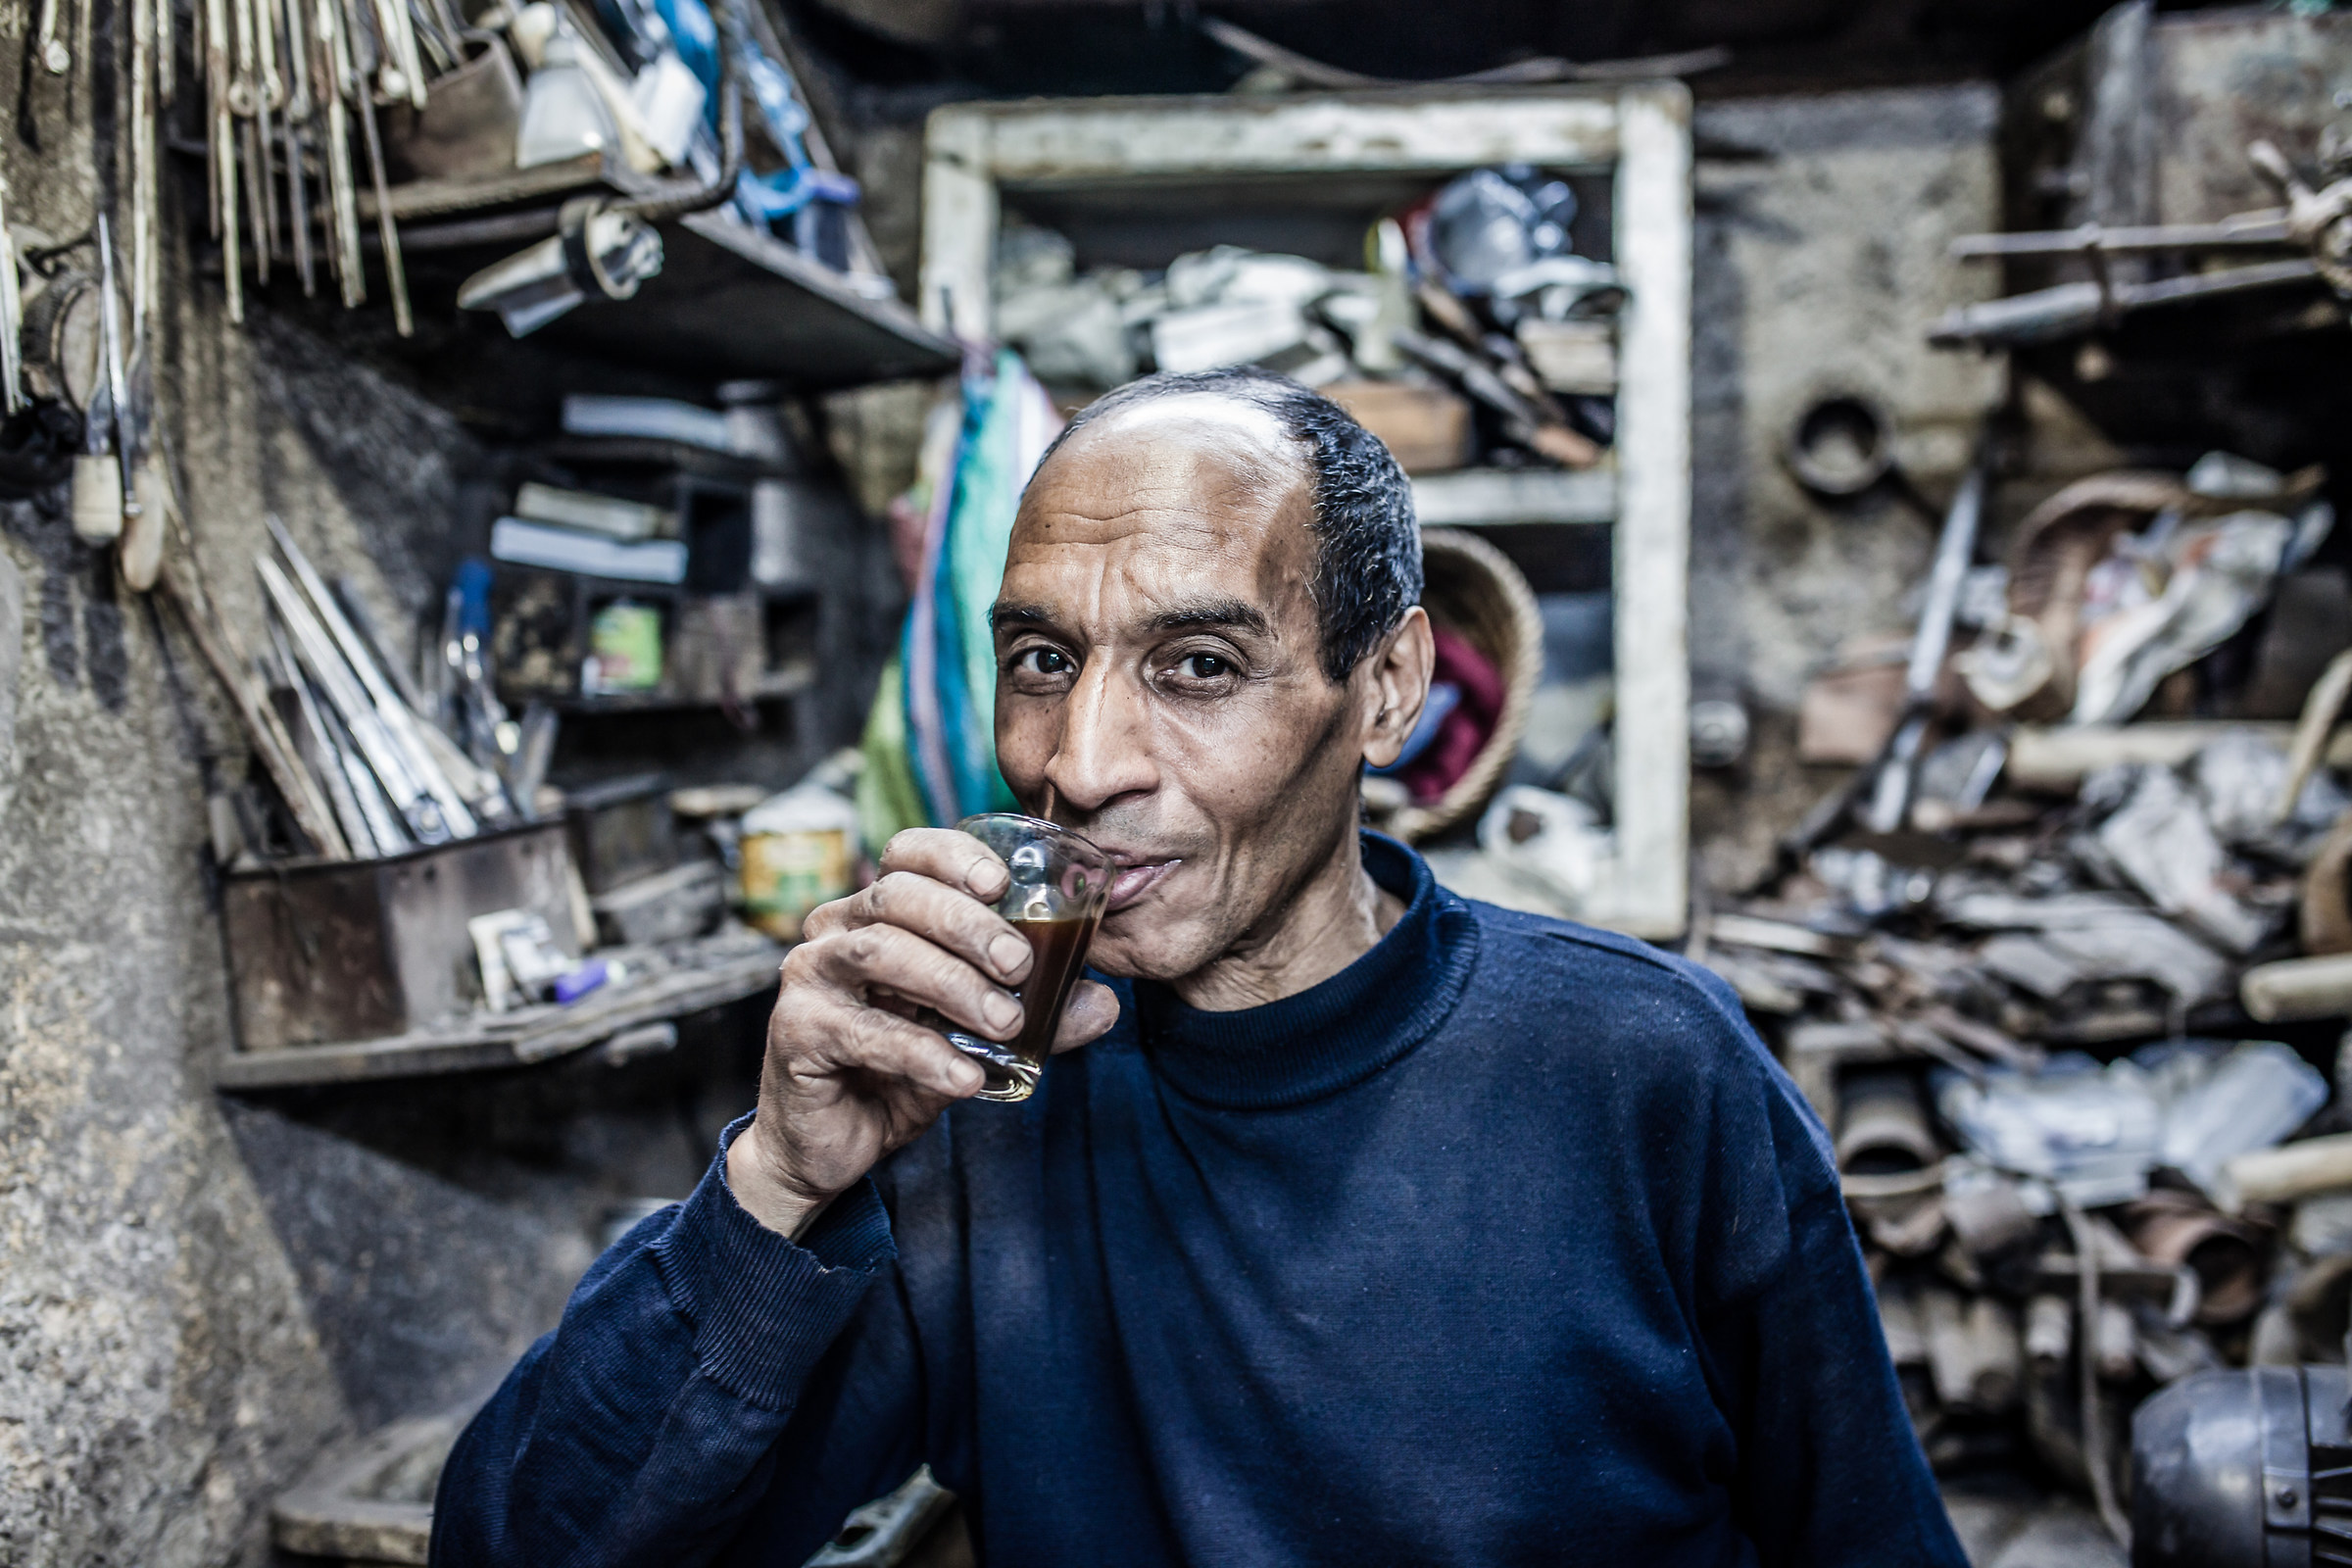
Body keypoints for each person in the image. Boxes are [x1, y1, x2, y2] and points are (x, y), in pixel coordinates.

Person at [431, 368, 1967, 1567]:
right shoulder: (969, 1102)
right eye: (1044, 660)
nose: (1082, 764)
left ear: (1387, 688)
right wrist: (776, 1182)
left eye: (1201, 666)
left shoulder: (1646, 1070)